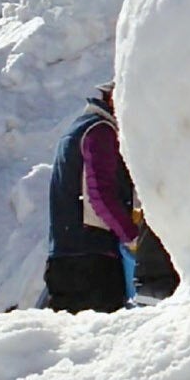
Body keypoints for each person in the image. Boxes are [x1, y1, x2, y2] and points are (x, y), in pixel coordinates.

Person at [45, 83, 139, 314]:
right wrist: (132, 238)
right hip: (92, 263)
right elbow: (100, 194)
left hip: (65, 256)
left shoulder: (78, 128)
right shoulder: (101, 131)